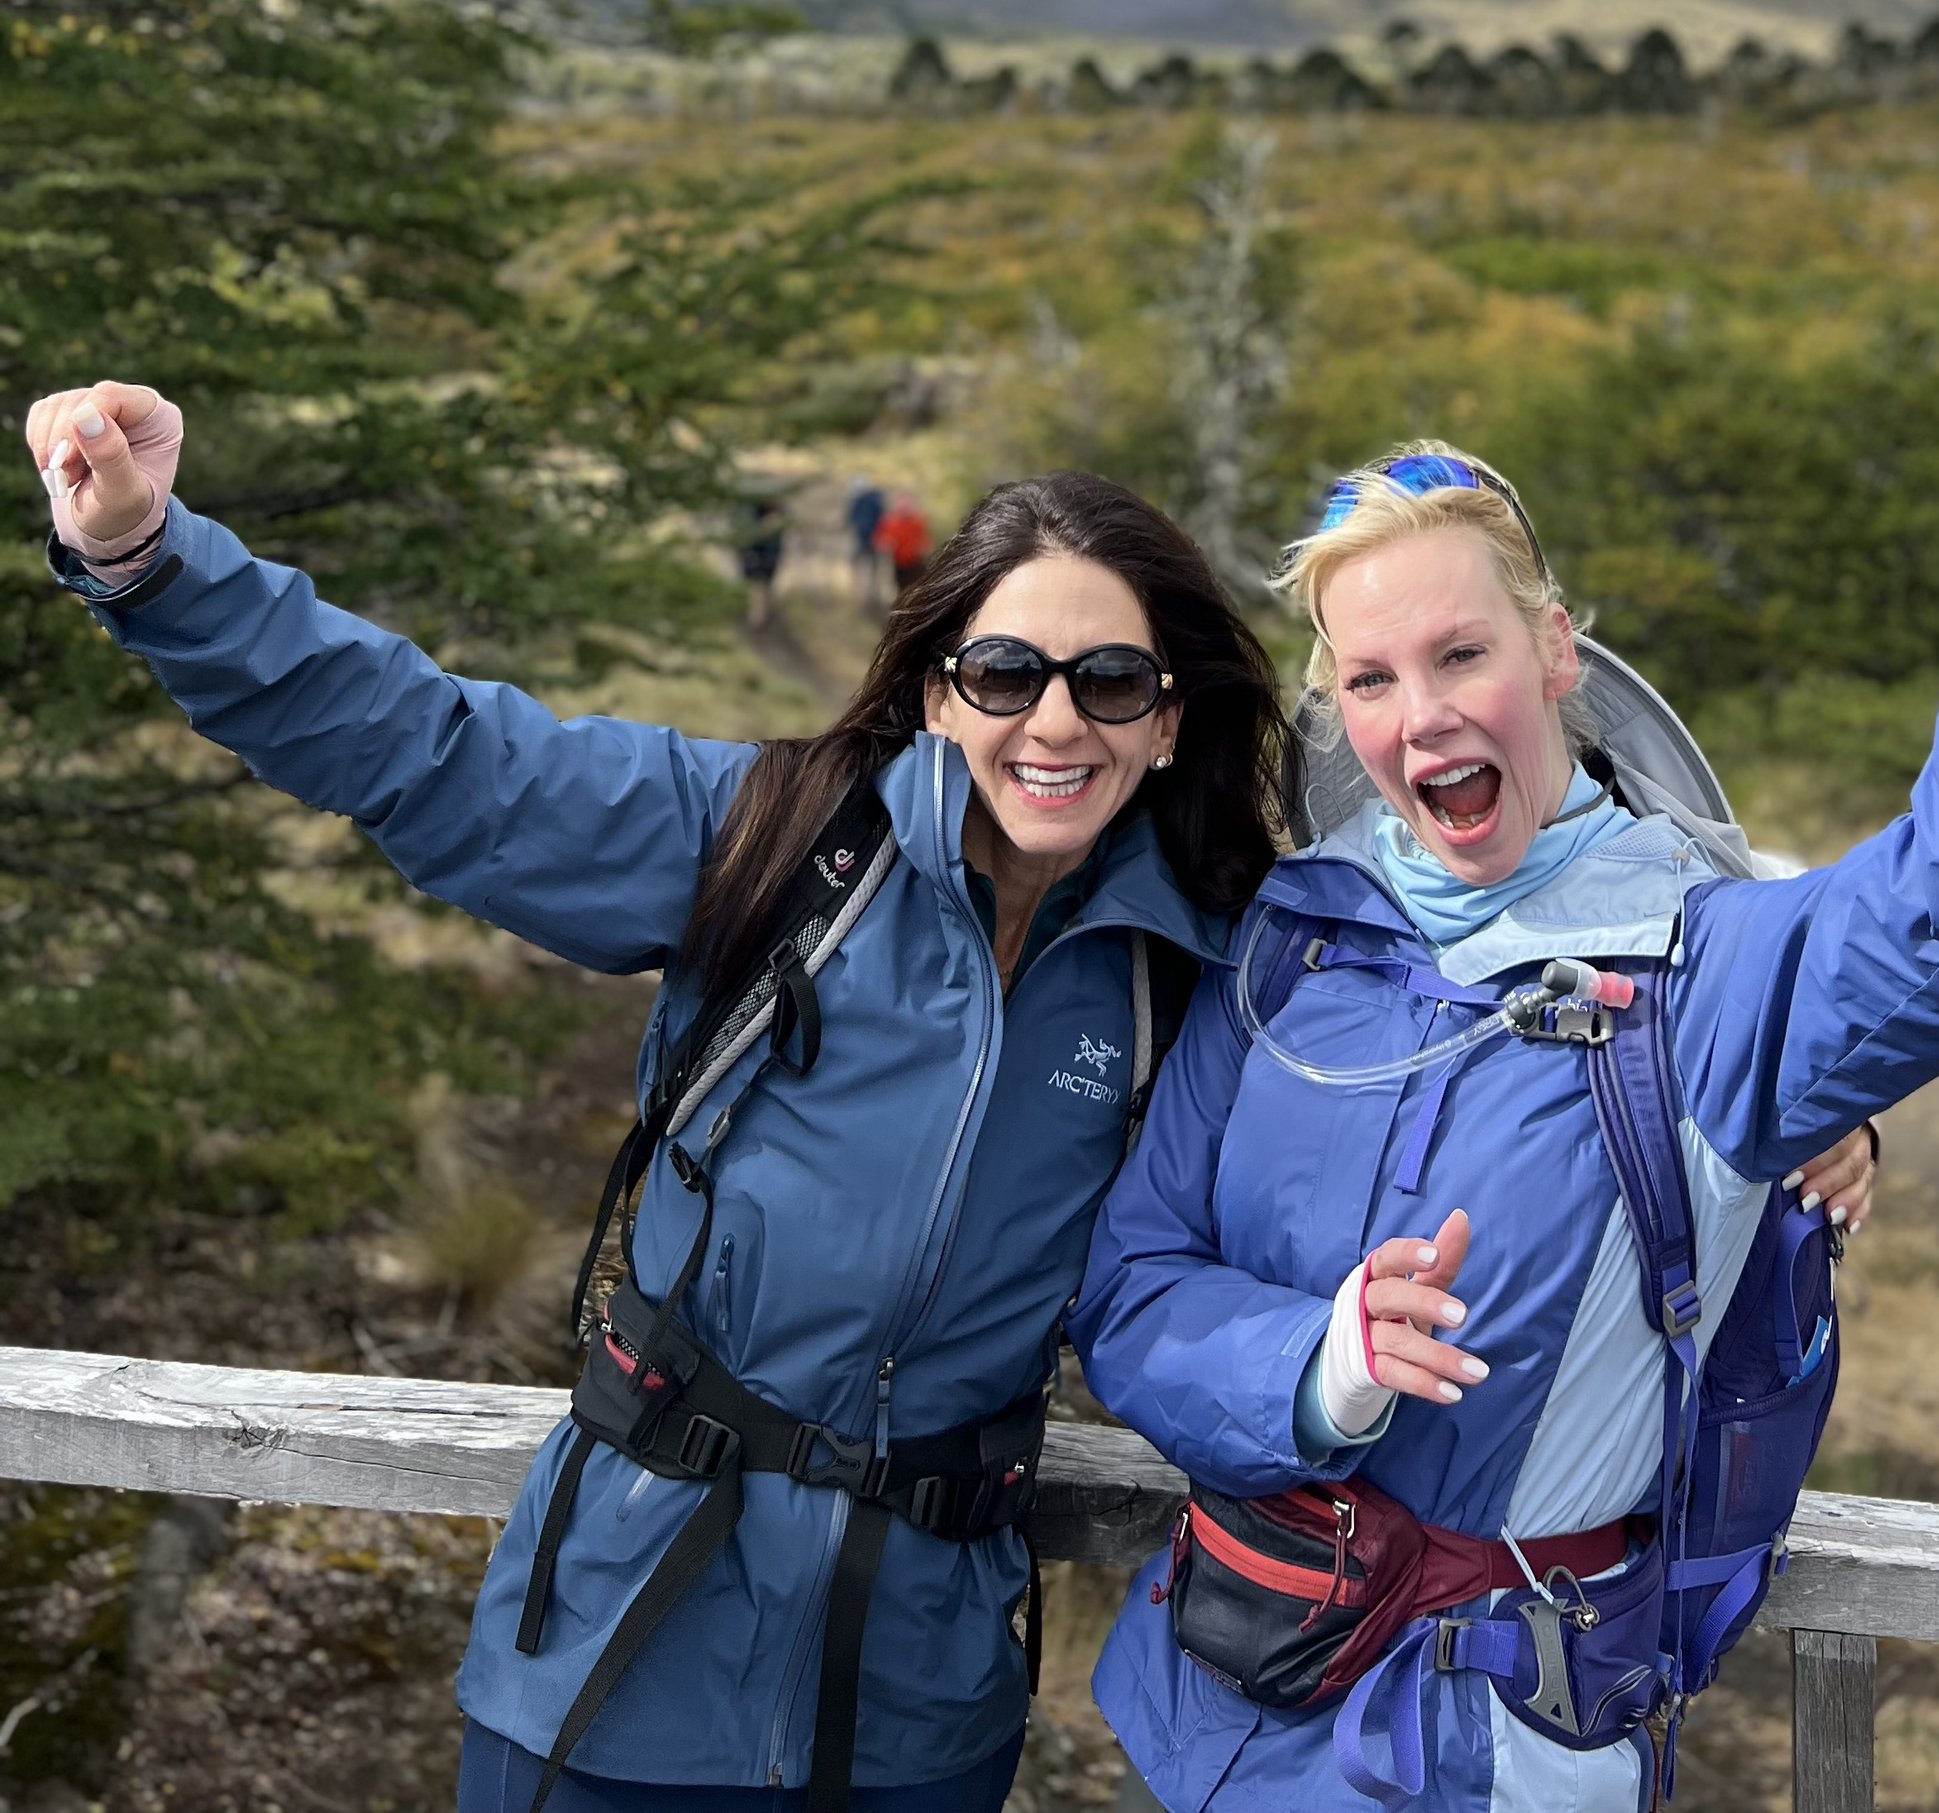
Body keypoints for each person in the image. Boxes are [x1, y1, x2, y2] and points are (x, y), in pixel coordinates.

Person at [1072, 262, 1939, 1813]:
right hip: (1210, 1711)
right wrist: (1317, 1363)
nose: (1418, 714)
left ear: (1556, 653)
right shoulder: (1294, 944)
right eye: (1369, 676)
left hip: (1480, 1754)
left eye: (1461, 654)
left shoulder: (1703, 970)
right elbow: (1136, 1284)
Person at [22, 393, 1294, 1813]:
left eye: (1112, 680)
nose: (1055, 719)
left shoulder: (1196, 973)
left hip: (915, 1716)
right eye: (1004, 671)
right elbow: (437, 754)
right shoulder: (767, 839)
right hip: (619, 1659)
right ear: (939, 693)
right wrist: (152, 559)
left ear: (1170, 718)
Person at [737, 491, 789, 633]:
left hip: (770, 551)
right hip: (753, 549)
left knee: (766, 582)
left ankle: (762, 612)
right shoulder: (750, 510)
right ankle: (756, 615)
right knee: (756, 582)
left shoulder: (779, 510)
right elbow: (747, 531)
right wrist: (765, 527)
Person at [877, 493, 933, 594]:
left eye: (907, 505)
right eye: (902, 505)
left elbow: (927, 543)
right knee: (900, 591)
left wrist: (923, 549)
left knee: (916, 591)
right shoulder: (889, 522)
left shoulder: (918, 522)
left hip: (915, 564)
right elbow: (880, 543)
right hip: (897, 565)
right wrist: (887, 545)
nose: (905, 508)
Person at [847, 479, 890, 606]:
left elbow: (882, 519)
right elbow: (851, 517)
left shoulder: (874, 501)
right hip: (862, 538)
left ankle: (873, 592)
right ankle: (860, 591)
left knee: (873, 566)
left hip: (873, 539)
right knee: (858, 562)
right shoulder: (858, 501)